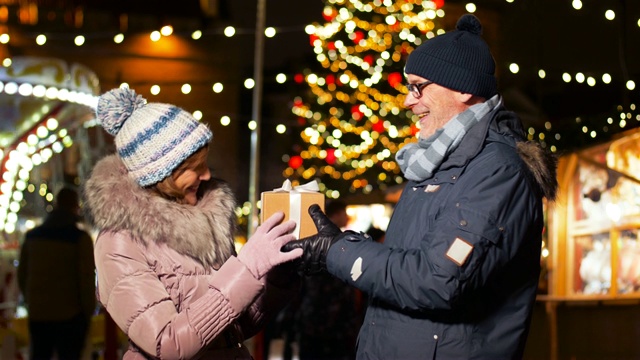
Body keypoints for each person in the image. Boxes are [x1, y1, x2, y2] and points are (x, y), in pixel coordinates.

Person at [284, 14, 558, 359]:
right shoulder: (436, 163)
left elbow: (437, 280)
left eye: (418, 86)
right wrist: (331, 252)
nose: (408, 101)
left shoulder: (499, 171)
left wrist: (337, 250)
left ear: (463, 87)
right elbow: (404, 264)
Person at [83, 87, 303, 359]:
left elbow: (234, 328)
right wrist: (246, 269)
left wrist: (275, 278)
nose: (207, 174)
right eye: (194, 167)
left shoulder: (206, 222)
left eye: (205, 163)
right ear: (160, 173)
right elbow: (167, 343)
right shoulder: (120, 241)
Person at [18, 187, 96, 360]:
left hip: (39, 313)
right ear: (75, 206)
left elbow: (22, 274)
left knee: (39, 354)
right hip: (69, 315)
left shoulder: (32, 237)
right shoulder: (79, 239)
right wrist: (88, 310)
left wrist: (31, 300)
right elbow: (86, 279)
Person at [286, 200, 361, 360]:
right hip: (329, 322)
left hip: (316, 321)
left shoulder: (318, 239)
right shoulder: (337, 242)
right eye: (344, 213)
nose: (347, 218)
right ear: (336, 214)